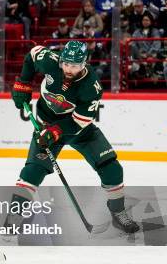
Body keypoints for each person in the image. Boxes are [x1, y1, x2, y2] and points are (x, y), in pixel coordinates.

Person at [11, 41, 139, 234]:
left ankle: (118, 213)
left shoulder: (91, 87)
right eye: (67, 64)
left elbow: (78, 122)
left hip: (80, 131)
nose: (69, 69)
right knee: (33, 171)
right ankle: (14, 217)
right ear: (61, 60)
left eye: (76, 66)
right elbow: (31, 55)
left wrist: (55, 131)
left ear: (84, 64)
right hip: (45, 126)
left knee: (112, 168)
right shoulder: (50, 61)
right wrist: (23, 83)